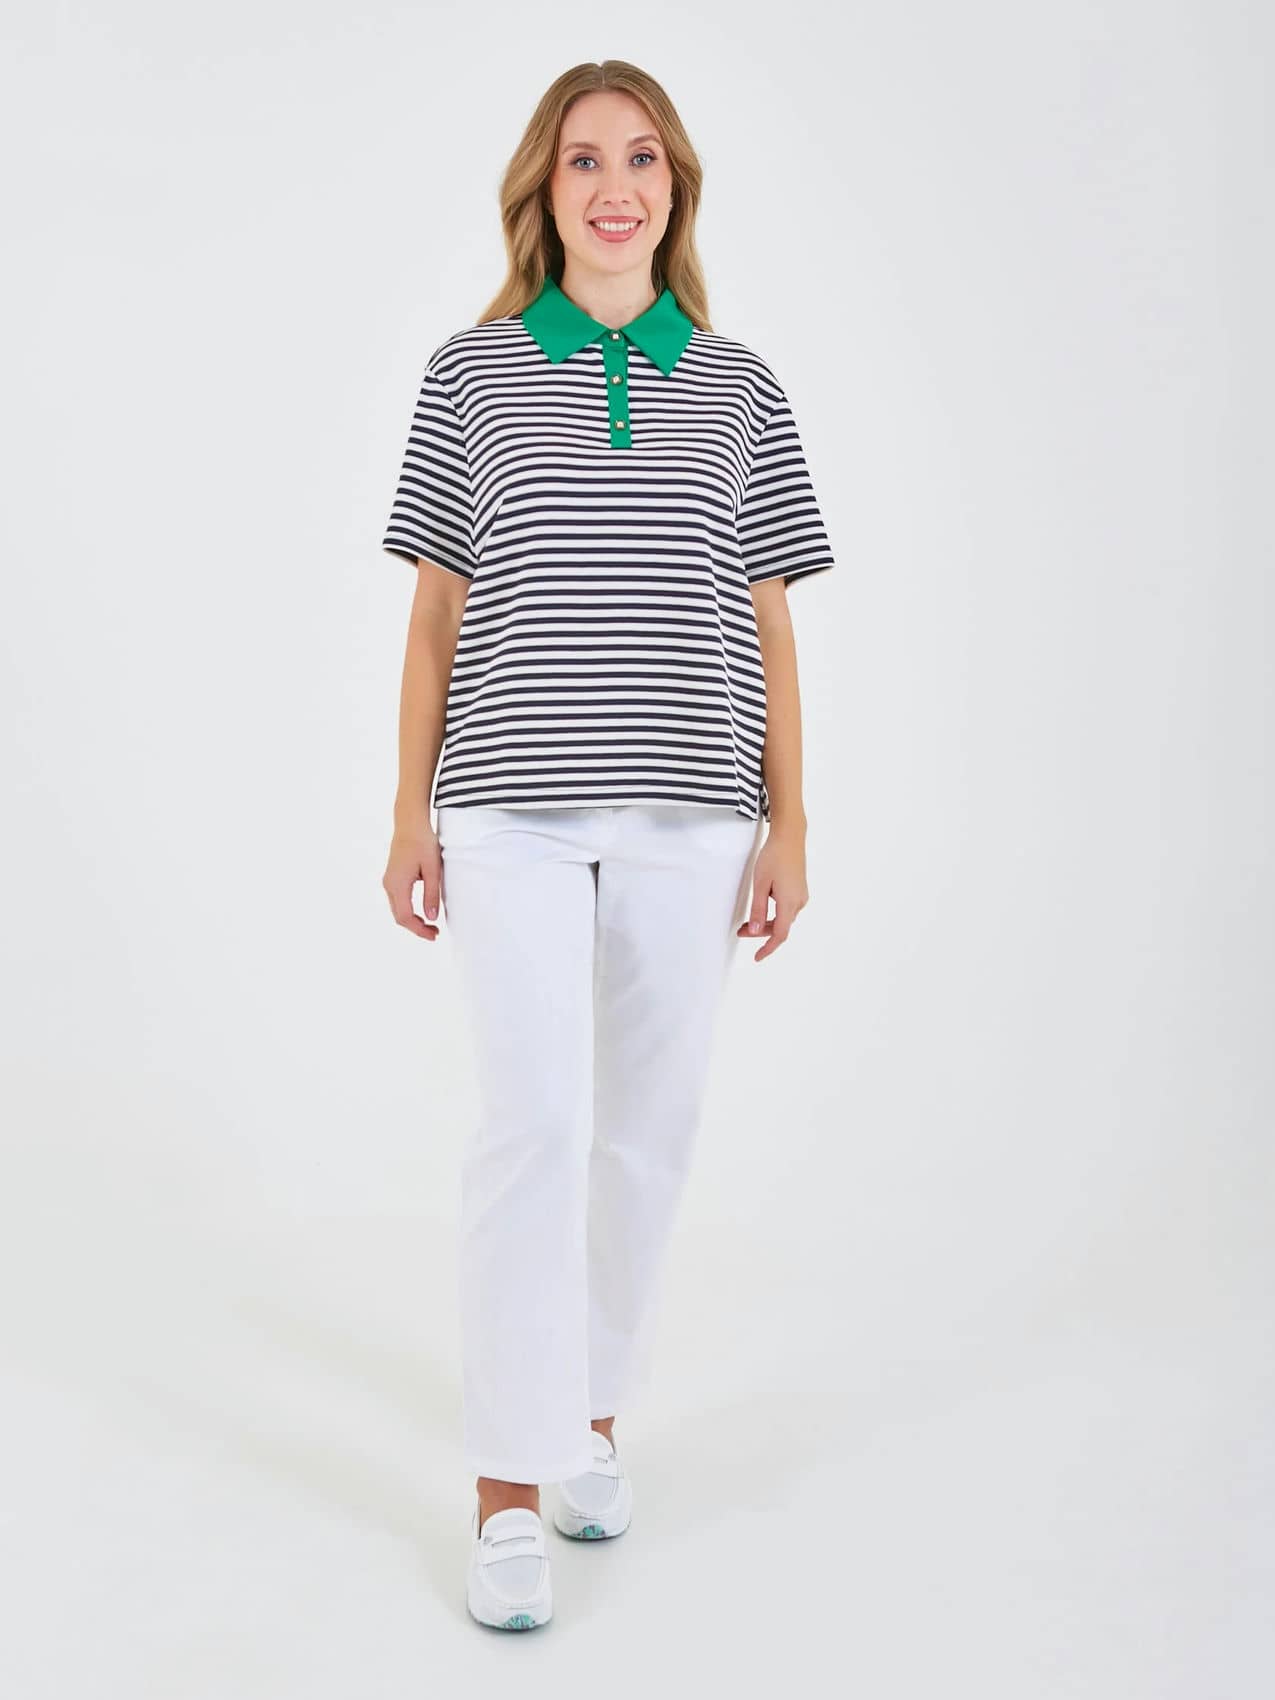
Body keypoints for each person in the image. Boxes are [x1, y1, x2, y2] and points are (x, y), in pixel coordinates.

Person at [379, 59, 837, 1631]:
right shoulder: (472, 372)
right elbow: (435, 613)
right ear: (544, 190)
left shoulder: (739, 384)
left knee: (649, 1134)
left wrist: (789, 820)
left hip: (694, 814)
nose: (614, 186)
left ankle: (586, 1419)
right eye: (583, 160)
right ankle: (506, 1485)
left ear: (675, 188)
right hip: (507, 806)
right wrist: (408, 810)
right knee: (535, 1126)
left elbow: (769, 619)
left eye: (641, 159)